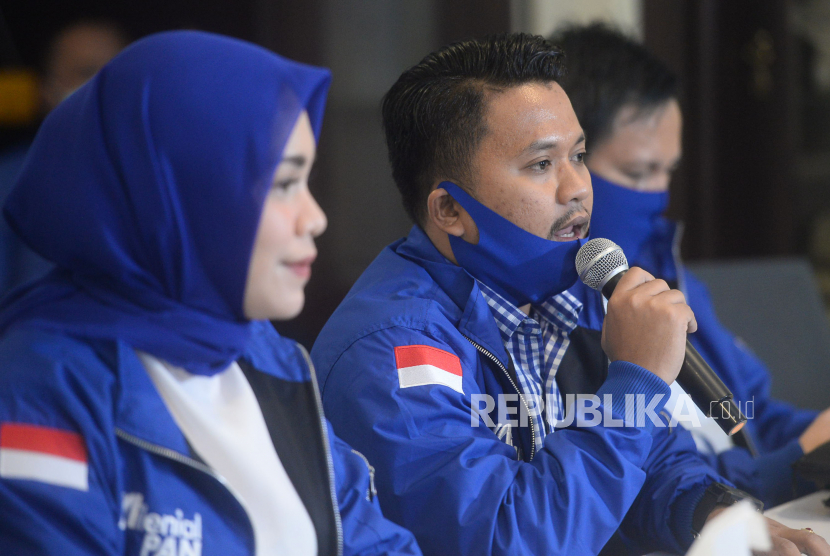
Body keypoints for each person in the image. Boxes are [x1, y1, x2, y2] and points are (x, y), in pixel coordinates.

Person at [310, 32, 830, 555]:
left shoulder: (574, 289)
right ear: (449, 211)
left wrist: (717, 521)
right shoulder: (390, 351)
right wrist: (636, 382)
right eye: (541, 165)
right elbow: (504, 540)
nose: (576, 187)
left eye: (578, 156)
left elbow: (658, 465)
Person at [0, 30, 422, 556]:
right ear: (181, 192)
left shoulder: (271, 362)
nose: (315, 218)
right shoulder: (39, 388)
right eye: (284, 185)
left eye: (307, 182)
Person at [553, 22, 830, 509]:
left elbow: (748, 417)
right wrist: (796, 460)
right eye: (639, 173)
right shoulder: (556, 308)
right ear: (571, 163)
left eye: (668, 171)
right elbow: (649, 477)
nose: (659, 194)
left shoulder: (665, 264)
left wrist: (817, 440)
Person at [0, 18, 129, 296]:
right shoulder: (11, 180)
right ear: (48, 90)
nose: (105, 82)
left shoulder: (159, 177)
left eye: (118, 70)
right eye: (87, 71)